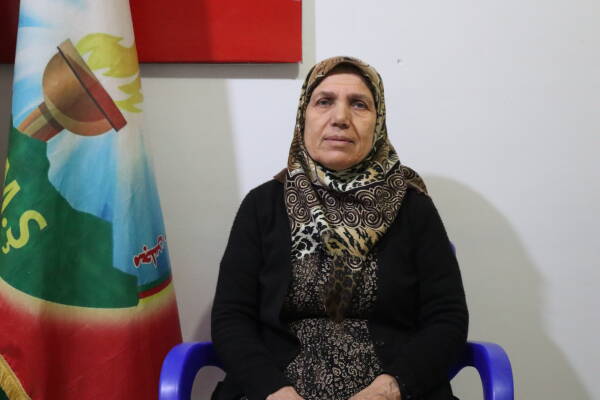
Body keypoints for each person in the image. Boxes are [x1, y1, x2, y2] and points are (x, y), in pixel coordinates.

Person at [211, 56, 468, 400]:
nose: (341, 118)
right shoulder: (263, 206)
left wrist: (390, 388)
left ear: (378, 121)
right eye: (324, 102)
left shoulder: (413, 208)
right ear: (304, 116)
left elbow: (447, 319)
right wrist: (272, 390)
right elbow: (231, 317)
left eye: (359, 104)